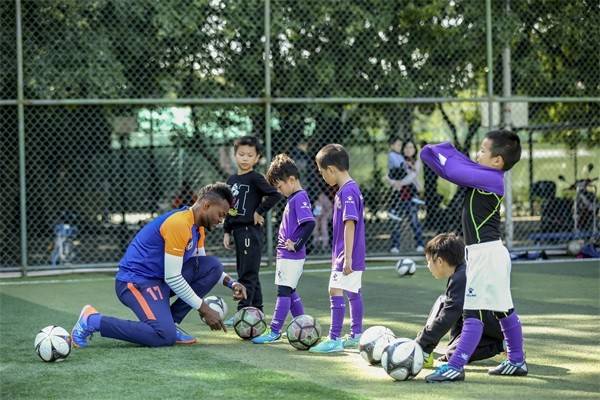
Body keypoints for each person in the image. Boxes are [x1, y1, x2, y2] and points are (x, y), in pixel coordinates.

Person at [71, 183, 247, 348]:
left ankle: (171, 323)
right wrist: (204, 308)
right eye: (221, 215)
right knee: (163, 336)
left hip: (159, 280)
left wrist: (231, 283)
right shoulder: (179, 223)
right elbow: (173, 277)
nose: (221, 221)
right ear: (207, 205)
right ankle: (92, 320)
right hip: (136, 282)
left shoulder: (198, 227)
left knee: (213, 265)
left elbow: (202, 265)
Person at [420, 130, 527, 382]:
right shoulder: (485, 175)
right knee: (503, 310)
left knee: (473, 313)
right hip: (490, 254)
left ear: (497, 160)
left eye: (482, 150)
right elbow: (456, 167)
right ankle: (516, 360)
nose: (477, 154)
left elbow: (452, 171)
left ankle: (456, 366)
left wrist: (440, 149)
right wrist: (440, 152)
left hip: (485, 256)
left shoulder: (489, 178)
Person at [252, 154, 316, 344]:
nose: (279, 191)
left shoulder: (299, 198)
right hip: (286, 254)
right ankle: (301, 324)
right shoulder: (294, 198)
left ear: (291, 180)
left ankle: (274, 331)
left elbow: (310, 224)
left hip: (291, 255)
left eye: (279, 187)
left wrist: (296, 244)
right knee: (291, 290)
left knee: (283, 291)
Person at [416, 232, 504, 369]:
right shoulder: (461, 272)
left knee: (454, 354)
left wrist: (420, 342)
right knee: (444, 302)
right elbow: (456, 315)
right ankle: (430, 347)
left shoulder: (461, 278)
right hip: (482, 323)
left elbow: (448, 316)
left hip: (492, 328)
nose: (428, 266)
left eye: (428, 261)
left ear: (439, 261)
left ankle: (501, 345)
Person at [309, 144, 366, 353]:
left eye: (322, 172)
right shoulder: (350, 189)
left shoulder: (347, 192)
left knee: (334, 289)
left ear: (331, 169)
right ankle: (356, 334)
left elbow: (350, 223)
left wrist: (347, 258)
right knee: (352, 291)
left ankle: (333, 338)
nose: (322, 176)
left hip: (347, 254)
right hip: (350, 253)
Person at [222, 136, 282, 324]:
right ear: (235, 156)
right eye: (241, 154)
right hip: (238, 231)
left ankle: (243, 311)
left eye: (250, 155)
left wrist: (259, 211)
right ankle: (258, 310)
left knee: (247, 273)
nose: (245, 158)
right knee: (248, 271)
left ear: (257, 158)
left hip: (250, 232)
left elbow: (275, 194)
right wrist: (226, 230)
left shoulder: (256, 178)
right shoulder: (231, 180)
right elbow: (228, 207)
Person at [388, 139, 425, 253]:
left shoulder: (416, 162)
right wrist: (393, 182)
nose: (409, 150)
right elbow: (389, 175)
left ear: (415, 150)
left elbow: (412, 176)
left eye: (411, 147)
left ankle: (419, 244)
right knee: (396, 220)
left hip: (411, 194)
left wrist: (400, 182)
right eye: (406, 147)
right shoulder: (399, 160)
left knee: (414, 220)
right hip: (397, 193)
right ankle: (395, 246)